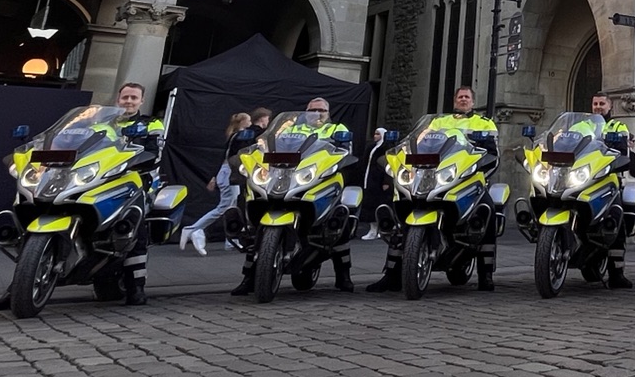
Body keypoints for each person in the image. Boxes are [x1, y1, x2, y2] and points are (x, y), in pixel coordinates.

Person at [0, 81, 164, 310]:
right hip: (101, 179)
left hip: (137, 178)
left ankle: (135, 288)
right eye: (125, 97)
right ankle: (16, 289)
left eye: (133, 98)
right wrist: (29, 152)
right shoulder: (102, 122)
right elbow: (71, 142)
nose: (128, 101)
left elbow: (154, 151)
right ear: (118, 99)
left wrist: (140, 159)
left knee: (133, 225)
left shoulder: (151, 123)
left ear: (141, 100)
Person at [369, 86, 497, 291]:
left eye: (467, 97)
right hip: (432, 176)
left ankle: (486, 274)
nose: (463, 100)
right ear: (454, 100)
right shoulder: (437, 122)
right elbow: (417, 142)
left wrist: (483, 165)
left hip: (468, 178)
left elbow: (492, 152)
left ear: (473, 102)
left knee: (487, 212)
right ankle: (392, 274)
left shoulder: (483, 123)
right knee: (400, 215)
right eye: (460, 97)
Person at [235, 97, 356, 294]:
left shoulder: (335, 129)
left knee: (338, 219)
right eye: (312, 110)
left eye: (321, 111)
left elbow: (345, 150)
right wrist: (257, 148)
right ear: (305, 111)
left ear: (328, 113)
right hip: (286, 175)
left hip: (322, 176)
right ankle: (249, 278)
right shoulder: (291, 128)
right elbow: (268, 143)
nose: (317, 114)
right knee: (254, 226)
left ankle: (343, 276)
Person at [181, 111, 254, 255]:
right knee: (224, 206)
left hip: (230, 173)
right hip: (229, 173)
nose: (250, 123)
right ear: (242, 122)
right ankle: (192, 229)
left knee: (232, 207)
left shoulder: (234, 136)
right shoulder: (239, 136)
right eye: (249, 121)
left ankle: (230, 240)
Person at [588, 91, 635, 288]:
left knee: (616, 217)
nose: (598, 107)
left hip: (608, 180)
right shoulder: (582, 125)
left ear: (610, 106)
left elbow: (622, 148)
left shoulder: (618, 126)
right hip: (583, 180)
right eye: (595, 103)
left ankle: (616, 273)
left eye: (602, 103)